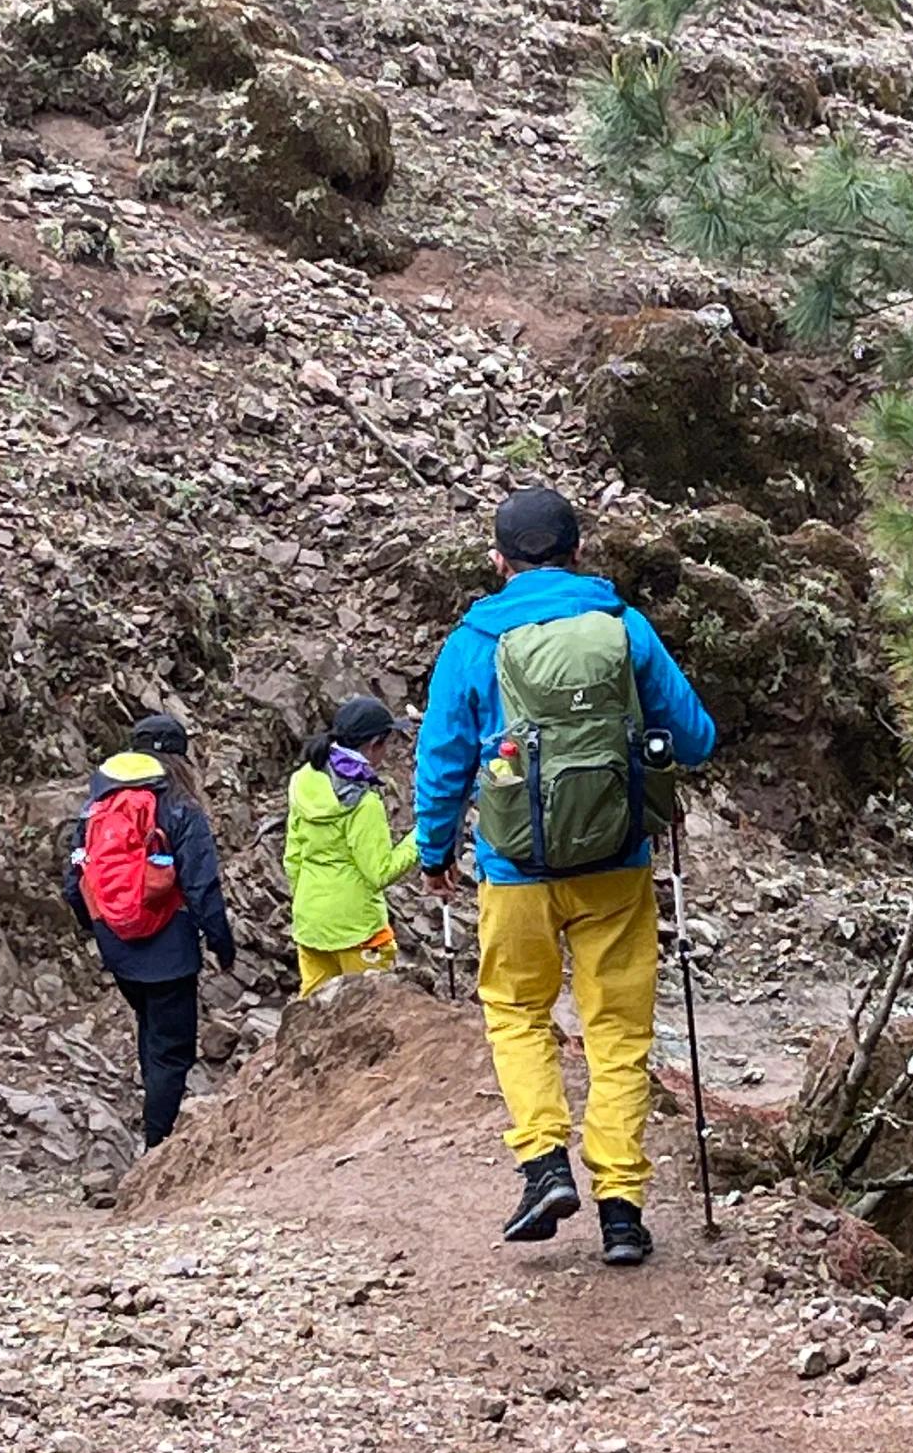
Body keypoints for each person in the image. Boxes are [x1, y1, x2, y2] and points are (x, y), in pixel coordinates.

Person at [414, 485, 717, 1267]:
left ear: (498, 562)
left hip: (513, 869)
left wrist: (433, 850)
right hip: (616, 865)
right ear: (580, 552)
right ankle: (621, 1209)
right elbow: (695, 736)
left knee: (517, 1011)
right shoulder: (622, 628)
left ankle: (544, 1165)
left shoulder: (473, 640)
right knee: (616, 1032)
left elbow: (443, 759)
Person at [67, 710, 236, 1150]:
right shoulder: (180, 808)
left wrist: (102, 926)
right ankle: (157, 1148)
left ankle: (153, 1122)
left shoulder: (96, 808)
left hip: (118, 946)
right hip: (169, 949)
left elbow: (75, 882)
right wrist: (221, 943)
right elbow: (202, 886)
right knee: (171, 1049)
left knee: (149, 1028)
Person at [285, 693, 420, 994]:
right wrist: (422, 837)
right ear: (374, 744)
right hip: (358, 929)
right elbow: (379, 872)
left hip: (310, 922)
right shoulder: (363, 800)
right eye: (387, 743)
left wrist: (308, 902)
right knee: (371, 1017)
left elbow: (292, 857)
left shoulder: (304, 780)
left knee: (313, 1018)